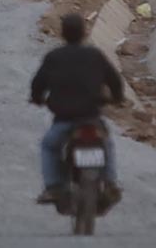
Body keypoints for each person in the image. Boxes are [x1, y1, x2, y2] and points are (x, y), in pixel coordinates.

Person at [30, 13, 124, 205]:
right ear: (84, 33)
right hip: (91, 118)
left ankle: (54, 186)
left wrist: (37, 98)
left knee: (48, 146)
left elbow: (38, 83)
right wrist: (117, 98)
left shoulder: (54, 57)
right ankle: (110, 182)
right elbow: (114, 80)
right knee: (107, 145)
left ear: (63, 34)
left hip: (64, 120)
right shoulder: (95, 55)